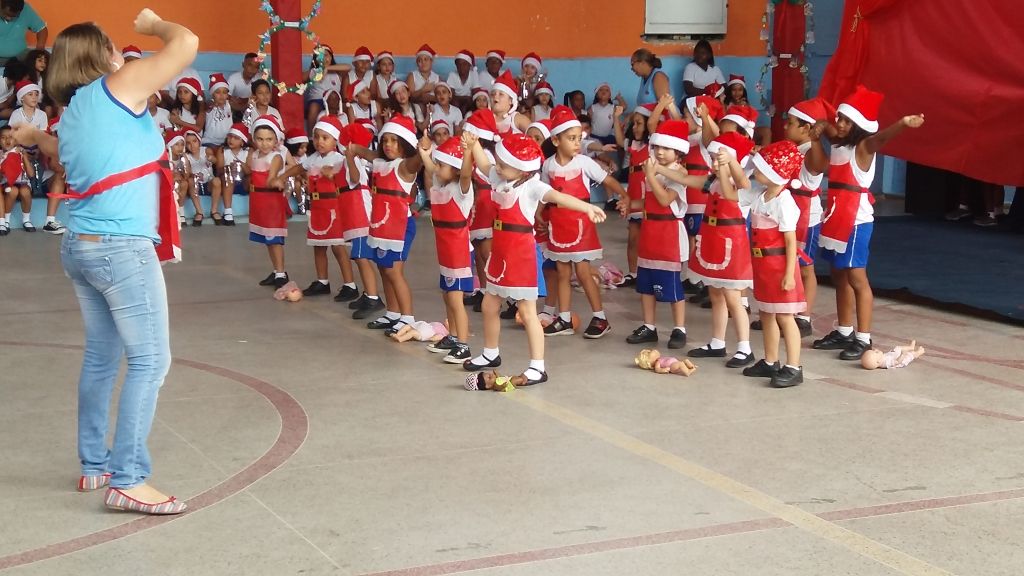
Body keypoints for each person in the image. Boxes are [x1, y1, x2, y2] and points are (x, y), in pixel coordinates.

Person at [17, 8, 197, 514]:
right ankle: (129, 478)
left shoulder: (76, 109)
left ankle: (95, 463)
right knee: (151, 360)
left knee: (102, 356)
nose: (121, 51)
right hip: (121, 250)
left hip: (82, 247)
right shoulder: (118, 88)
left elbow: (59, 151)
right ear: (101, 57)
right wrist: (154, 23)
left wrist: (33, 138)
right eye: (113, 45)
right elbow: (186, 41)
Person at [461, 132, 606, 384]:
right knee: (489, 305)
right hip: (500, 252)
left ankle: (538, 367)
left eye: (503, 164)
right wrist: (473, 146)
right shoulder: (501, 176)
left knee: (527, 312)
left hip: (521, 254)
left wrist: (588, 207)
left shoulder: (533, 186)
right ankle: (490, 353)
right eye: (499, 162)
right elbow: (484, 164)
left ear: (523, 169)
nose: (497, 167)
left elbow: (559, 197)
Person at [811, 85, 924, 361]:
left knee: (857, 278)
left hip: (856, 221)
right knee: (838, 275)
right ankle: (844, 331)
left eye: (846, 121)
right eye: (840, 118)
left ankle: (863, 338)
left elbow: (881, 137)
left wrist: (903, 123)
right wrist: (821, 124)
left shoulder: (864, 146)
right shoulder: (839, 144)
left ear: (859, 126)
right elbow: (827, 125)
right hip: (835, 217)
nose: (840, 124)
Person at [541, 105, 626, 339]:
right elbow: (544, 193)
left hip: (580, 223)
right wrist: (539, 214)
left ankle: (600, 317)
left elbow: (608, 180)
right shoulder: (548, 165)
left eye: (579, 138)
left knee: (583, 272)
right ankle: (564, 318)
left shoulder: (584, 163)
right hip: (558, 224)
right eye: (571, 138)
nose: (577, 143)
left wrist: (625, 196)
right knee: (562, 272)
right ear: (556, 140)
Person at [726, 141, 806, 388]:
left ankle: (793, 366)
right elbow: (731, 195)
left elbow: (790, 241)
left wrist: (789, 274)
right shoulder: (760, 195)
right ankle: (771, 360)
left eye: (761, 168)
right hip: (763, 266)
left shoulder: (784, 201)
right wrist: (723, 167)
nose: (756, 171)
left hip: (780, 266)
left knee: (785, 317)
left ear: (775, 173)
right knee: (767, 313)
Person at [345, 115, 423, 334]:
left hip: (400, 226)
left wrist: (423, 150)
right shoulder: (380, 162)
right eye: (385, 140)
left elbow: (416, 160)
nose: (388, 145)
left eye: (394, 141)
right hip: (381, 226)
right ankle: (393, 313)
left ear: (405, 144)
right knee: (384, 269)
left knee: (394, 272)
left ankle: (408, 318)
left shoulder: (405, 166)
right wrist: (352, 148)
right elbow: (366, 153)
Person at [685, 131, 756, 368]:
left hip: (732, 243)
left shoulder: (740, 183)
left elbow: (735, 186)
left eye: (719, 160)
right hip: (713, 239)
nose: (714, 164)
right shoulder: (712, 181)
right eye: (713, 159)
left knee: (733, 297)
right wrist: (661, 170)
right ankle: (717, 342)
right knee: (715, 293)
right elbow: (688, 179)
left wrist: (729, 164)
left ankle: (745, 348)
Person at [623, 120, 690, 349]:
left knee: (672, 286)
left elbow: (664, 199)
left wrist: (650, 175)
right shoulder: (653, 172)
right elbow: (649, 201)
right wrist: (630, 204)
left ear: (678, 151)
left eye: (666, 148)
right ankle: (649, 326)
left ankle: (679, 328)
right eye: (657, 147)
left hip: (669, 235)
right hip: (650, 232)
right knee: (646, 283)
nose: (660, 152)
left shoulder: (679, 173)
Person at [417, 134, 475, 363]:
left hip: (459, 253)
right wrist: (425, 153)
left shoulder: (462, 190)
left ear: (457, 170)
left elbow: (466, 173)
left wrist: (467, 152)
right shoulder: (441, 184)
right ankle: (452, 336)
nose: (436, 168)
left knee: (456, 299)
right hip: (445, 252)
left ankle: (463, 345)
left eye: (442, 165)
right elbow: (433, 168)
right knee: (447, 296)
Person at [783, 97, 833, 337]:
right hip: (785, 214)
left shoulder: (812, 152)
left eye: (791, 122)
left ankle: (803, 317)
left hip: (806, 218)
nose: (785, 126)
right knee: (783, 264)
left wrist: (815, 140)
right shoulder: (791, 148)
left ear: (806, 128)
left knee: (805, 268)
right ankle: (781, 311)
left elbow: (820, 165)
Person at [301, 116, 352, 297]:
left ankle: (349, 284)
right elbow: (300, 168)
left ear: (335, 140)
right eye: (316, 137)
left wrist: (333, 174)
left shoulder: (339, 159)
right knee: (319, 246)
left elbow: (347, 178)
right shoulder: (312, 159)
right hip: (317, 208)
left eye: (325, 138)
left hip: (334, 208)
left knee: (338, 247)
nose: (319, 142)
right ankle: (322, 281)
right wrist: (284, 176)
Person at [247, 115, 291, 288]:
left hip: (271, 202)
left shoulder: (276, 157)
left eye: (269, 139)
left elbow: (271, 177)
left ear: (276, 140)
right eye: (260, 139)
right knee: (268, 239)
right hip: (258, 201)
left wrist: (276, 181)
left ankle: (281, 273)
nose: (264, 144)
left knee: (274, 239)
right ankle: (276, 270)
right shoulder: (254, 155)